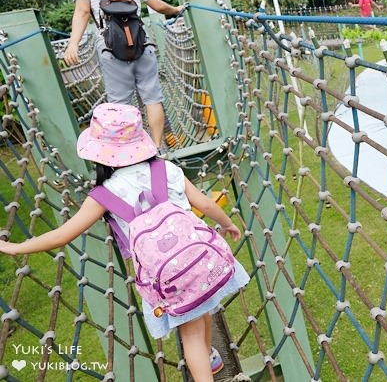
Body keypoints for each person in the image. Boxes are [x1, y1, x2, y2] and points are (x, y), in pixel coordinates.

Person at [0, 103, 249, 382]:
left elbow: (64, 234)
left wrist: (15, 247)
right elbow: (203, 202)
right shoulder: (165, 168)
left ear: (99, 155)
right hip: (202, 262)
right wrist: (227, 224)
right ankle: (210, 356)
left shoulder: (103, 195)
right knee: (202, 312)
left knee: (188, 330)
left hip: (169, 277)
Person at [63, 0, 183, 151]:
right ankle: (156, 147)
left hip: (110, 49)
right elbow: (157, 5)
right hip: (141, 43)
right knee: (152, 98)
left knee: (120, 105)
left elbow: (81, 12)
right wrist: (176, 9)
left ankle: (131, 151)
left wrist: (73, 44)